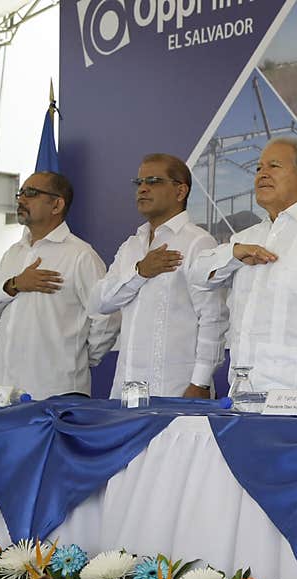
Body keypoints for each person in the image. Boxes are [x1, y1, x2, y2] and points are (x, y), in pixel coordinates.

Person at [189, 137, 297, 410]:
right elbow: (198, 275)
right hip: (241, 400)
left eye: (274, 166)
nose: (262, 174)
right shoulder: (247, 238)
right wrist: (233, 255)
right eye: (258, 168)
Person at [90, 154, 228, 398]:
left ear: (180, 191)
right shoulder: (131, 246)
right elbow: (100, 302)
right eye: (139, 182)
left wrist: (201, 384)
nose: (142, 189)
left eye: (153, 181)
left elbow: (213, 319)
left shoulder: (198, 242)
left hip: (177, 392)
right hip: (125, 393)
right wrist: (140, 272)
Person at [0, 171, 120, 398]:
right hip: (3, 394)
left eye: (31, 193)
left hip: (56, 394)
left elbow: (107, 316)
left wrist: (78, 358)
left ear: (57, 205)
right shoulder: (14, 253)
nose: (21, 199)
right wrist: (13, 285)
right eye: (20, 193)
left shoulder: (80, 255)